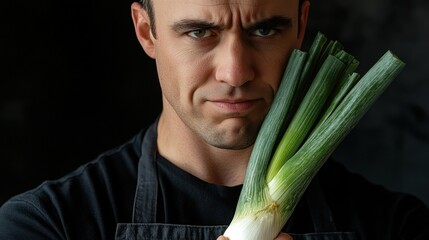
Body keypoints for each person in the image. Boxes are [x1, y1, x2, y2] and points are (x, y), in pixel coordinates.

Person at [1, 0, 429, 239]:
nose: (236, 72)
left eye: (264, 30)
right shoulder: (45, 225)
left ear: (301, 25)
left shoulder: (396, 227)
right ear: (146, 31)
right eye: (199, 32)